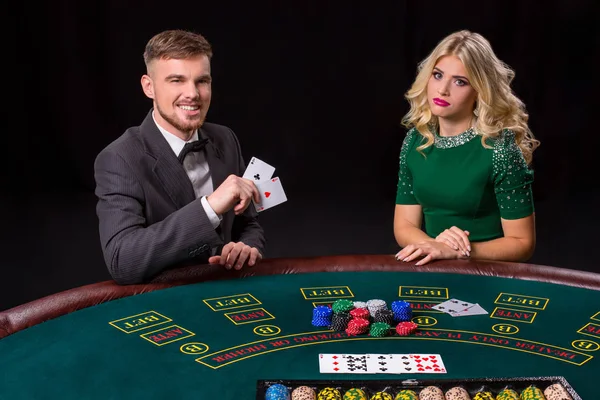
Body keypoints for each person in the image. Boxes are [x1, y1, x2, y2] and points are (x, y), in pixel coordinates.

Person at [94, 30, 265, 284]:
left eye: (202, 81)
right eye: (177, 80)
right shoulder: (118, 158)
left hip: (228, 292)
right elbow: (123, 260)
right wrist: (210, 206)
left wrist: (246, 247)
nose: (193, 94)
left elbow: (249, 224)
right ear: (148, 87)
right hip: (164, 305)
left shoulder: (225, 139)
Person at [394, 30, 540, 266]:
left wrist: (459, 251)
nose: (442, 90)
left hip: (489, 273)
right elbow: (404, 225)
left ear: (479, 91)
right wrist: (433, 247)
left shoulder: (500, 148)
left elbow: (522, 243)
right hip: (432, 265)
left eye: (460, 82)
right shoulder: (415, 140)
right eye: (438, 75)